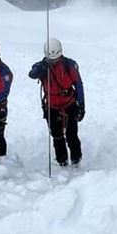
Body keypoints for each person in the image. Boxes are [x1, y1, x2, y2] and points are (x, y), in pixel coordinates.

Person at [29, 38, 85, 167]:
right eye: (51, 59)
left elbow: (78, 85)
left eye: (56, 59)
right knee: (57, 135)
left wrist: (81, 105)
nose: (54, 61)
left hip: (69, 104)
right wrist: (41, 69)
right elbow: (32, 74)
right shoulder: (42, 66)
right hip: (52, 106)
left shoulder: (69, 65)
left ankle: (76, 159)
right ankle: (62, 160)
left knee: (72, 135)